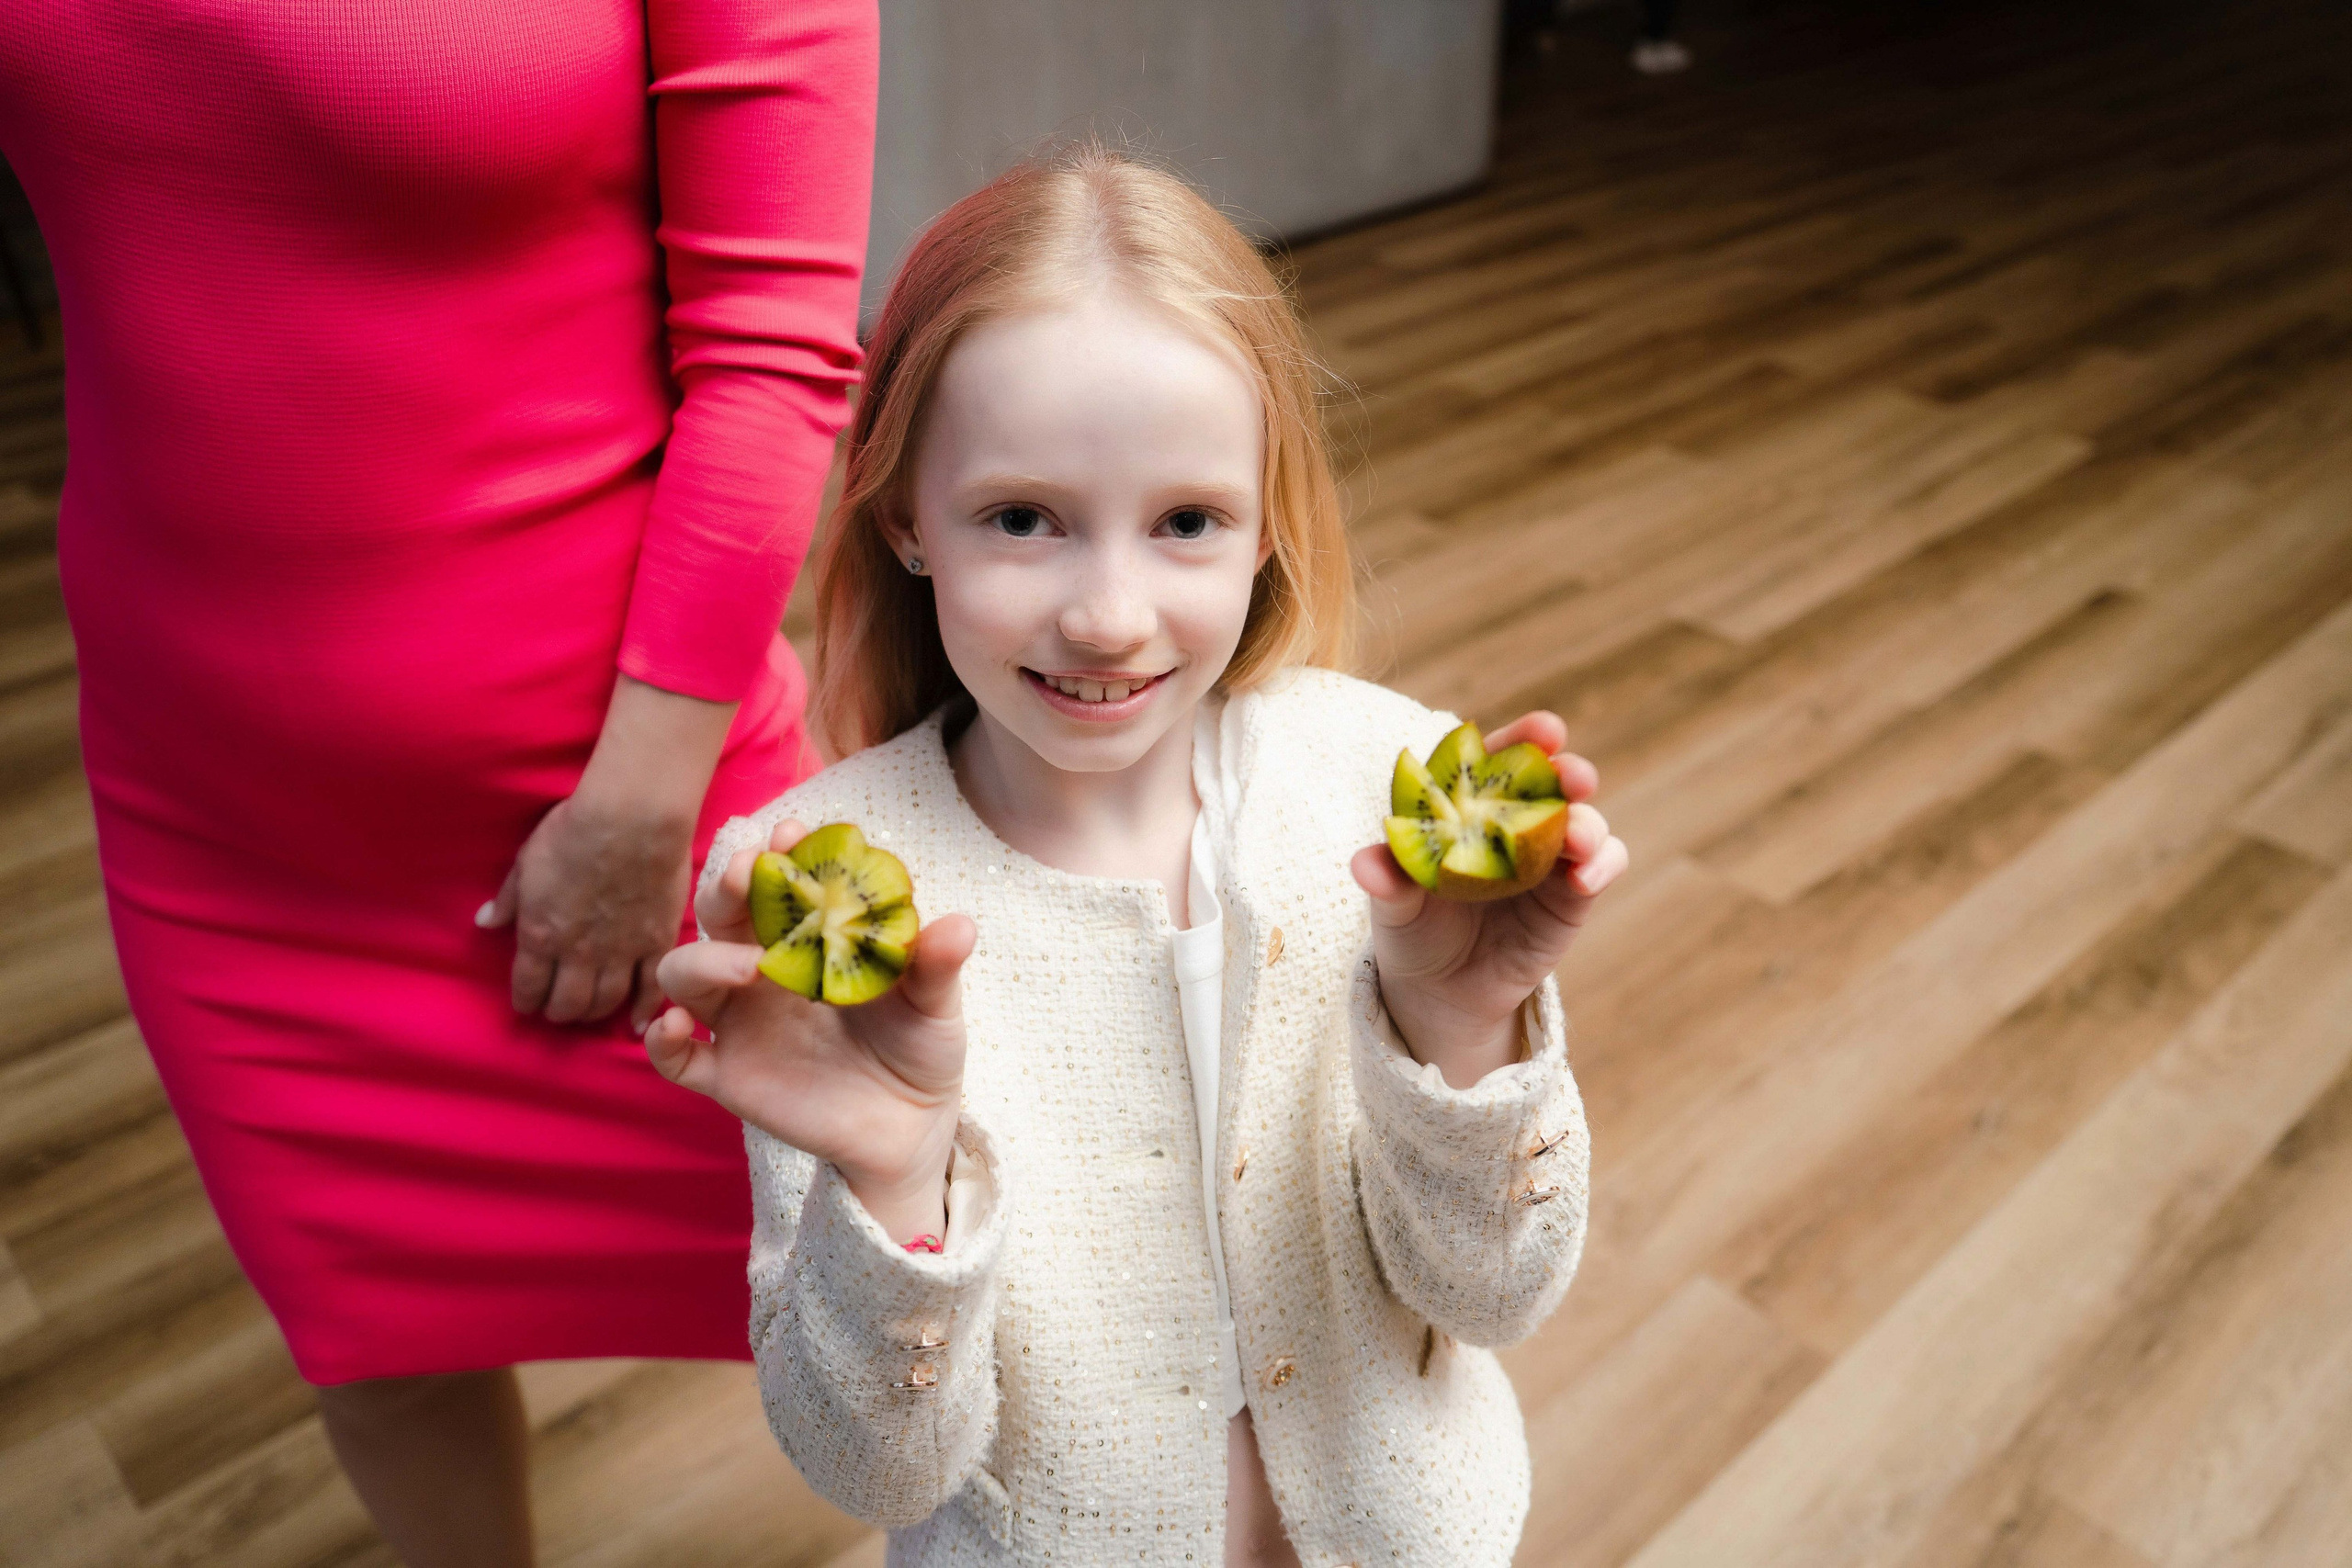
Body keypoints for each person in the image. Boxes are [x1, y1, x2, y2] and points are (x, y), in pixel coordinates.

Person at [646, 148, 1630, 1566]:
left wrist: (1461, 1028)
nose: (1109, 616)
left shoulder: (1380, 794)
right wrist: (891, 1176)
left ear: (1269, 519)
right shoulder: (813, 889)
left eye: (1185, 523)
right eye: (1023, 518)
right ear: (907, 514)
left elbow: (1495, 1297)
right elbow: (872, 1466)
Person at [0, 4, 875, 1562]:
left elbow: (770, 357)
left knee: (875, 1270)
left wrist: (639, 805)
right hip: (217, 820)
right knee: (379, 1349)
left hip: (622, 789)